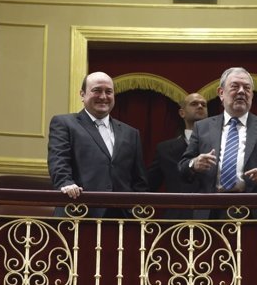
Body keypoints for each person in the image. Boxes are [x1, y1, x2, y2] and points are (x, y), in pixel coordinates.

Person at [179, 67, 257, 219]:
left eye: (247, 88)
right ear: (221, 93)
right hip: (211, 211)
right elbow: (183, 165)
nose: (241, 91)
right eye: (235, 86)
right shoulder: (203, 127)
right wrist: (194, 164)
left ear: (252, 95)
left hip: (254, 211)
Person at [47, 71, 148, 218]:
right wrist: (66, 184)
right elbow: (58, 160)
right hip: (78, 211)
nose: (103, 97)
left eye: (109, 92)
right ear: (82, 94)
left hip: (122, 218)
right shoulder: (64, 123)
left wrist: (137, 211)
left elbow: (140, 180)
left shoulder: (131, 133)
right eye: (97, 90)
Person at [147, 92, 208, 219]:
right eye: (194, 104)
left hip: (213, 217)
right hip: (176, 218)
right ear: (182, 113)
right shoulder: (164, 149)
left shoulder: (220, 145)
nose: (200, 106)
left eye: (204, 104)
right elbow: (149, 185)